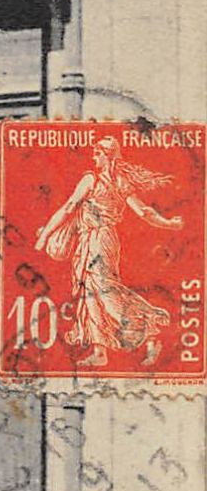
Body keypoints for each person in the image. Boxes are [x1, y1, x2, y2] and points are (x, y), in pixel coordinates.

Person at [33, 135, 184, 367]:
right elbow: (144, 212)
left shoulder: (91, 180)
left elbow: (69, 208)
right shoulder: (120, 181)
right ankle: (99, 351)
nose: (94, 157)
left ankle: (151, 325)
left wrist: (44, 236)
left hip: (98, 240)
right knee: (89, 291)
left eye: (97, 153)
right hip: (95, 239)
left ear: (107, 156)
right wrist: (169, 223)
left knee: (104, 291)